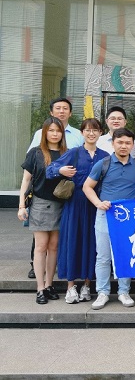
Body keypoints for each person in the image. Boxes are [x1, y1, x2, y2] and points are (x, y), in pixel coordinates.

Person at [46, 118, 109, 304]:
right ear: (82, 133)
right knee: (72, 241)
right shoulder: (73, 153)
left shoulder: (105, 156)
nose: (91, 133)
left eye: (95, 130)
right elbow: (50, 170)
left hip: (96, 205)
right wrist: (61, 170)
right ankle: (70, 286)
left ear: (100, 133)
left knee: (93, 244)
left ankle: (87, 285)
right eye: (87, 130)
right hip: (75, 204)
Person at [83, 128, 135, 310]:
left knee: (124, 254)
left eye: (127, 143)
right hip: (106, 215)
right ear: (113, 143)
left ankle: (124, 291)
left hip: (128, 218)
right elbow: (87, 187)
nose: (123, 146)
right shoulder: (103, 164)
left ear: (132, 145)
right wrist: (98, 203)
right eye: (120, 142)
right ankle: (102, 292)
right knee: (103, 256)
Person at [26, 97, 83, 279]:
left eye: (65, 108)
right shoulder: (39, 135)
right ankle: (36, 267)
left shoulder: (77, 135)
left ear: (70, 113)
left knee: (56, 241)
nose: (61, 111)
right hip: (42, 195)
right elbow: (32, 164)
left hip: (64, 194)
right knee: (41, 239)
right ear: (51, 112)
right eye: (58, 108)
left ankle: (55, 269)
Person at [18, 117, 67, 304]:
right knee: (41, 246)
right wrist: (21, 205)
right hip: (40, 203)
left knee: (54, 247)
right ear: (45, 132)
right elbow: (26, 180)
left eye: (58, 131)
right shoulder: (36, 153)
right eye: (51, 130)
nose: (55, 134)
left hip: (62, 204)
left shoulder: (67, 153)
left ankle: (49, 285)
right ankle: (39, 288)